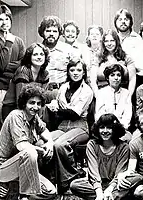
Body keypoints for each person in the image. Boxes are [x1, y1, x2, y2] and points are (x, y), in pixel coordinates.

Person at [0, 84, 56, 200]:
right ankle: (22, 195)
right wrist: (42, 150)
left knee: (50, 192)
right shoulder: (16, 116)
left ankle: (15, 185)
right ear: (24, 103)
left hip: (22, 165)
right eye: (31, 102)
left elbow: (44, 130)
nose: (35, 107)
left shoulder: (34, 118)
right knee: (31, 152)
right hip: (3, 167)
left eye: (38, 103)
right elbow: (22, 146)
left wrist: (50, 143)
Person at [0, 4, 25, 180]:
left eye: (7, 18)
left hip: (14, 90)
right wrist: (7, 43)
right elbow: (1, 64)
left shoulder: (19, 41)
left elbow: (23, 66)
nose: (4, 22)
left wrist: (2, 69)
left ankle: (9, 172)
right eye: (0, 19)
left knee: (11, 131)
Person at [46, 58, 93, 193]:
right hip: (62, 126)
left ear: (84, 73)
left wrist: (58, 110)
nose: (75, 73)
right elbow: (57, 106)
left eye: (79, 70)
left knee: (60, 145)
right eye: (72, 70)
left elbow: (74, 114)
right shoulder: (63, 87)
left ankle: (72, 176)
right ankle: (51, 179)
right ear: (68, 72)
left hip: (79, 127)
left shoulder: (87, 90)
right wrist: (55, 107)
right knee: (43, 141)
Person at [70, 113, 141, 200]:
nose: (105, 131)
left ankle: (108, 196)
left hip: (115, 184)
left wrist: (109, 189)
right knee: (75, 185)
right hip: (96, 184)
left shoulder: (123, 147)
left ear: (115, 129)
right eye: (102, 127)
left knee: (137, 178)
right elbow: (93, 171)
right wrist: (99, 192)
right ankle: (110, 197)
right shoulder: (92, 144)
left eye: (109, 128)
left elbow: (120, 172)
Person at [2, 42, 50, 121]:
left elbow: (42, 98)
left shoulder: (45, 73)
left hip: (32, 108)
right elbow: (20, 99)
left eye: (42, 54)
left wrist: (38, 119)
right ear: (29, 57)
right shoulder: (23, 71)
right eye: (35, 54)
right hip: (13, 108)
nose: (39, 57)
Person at [38, 15, 77, 100]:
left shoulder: (69, 50)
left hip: (64, 91)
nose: (51, 34)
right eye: (48, 31)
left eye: (55, 31)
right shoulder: (37, 50)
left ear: (59, 33)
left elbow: (77, 71)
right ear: (42, 32)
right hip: (41, 92)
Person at [91, 29, 136, 99]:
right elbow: (92, 80)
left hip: (122, 95)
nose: (109, 44)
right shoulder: (98, 57)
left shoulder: (126, 57)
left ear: (117, 41)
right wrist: (98, 96)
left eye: (112, 41)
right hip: (102, 95)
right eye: (106, 41)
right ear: (103, 43)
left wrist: (128, 97)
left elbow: (132, 79)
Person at [95, 63, 132, 141]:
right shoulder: (101, 92)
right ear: (107, 78)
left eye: (118, 75)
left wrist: (120, 127)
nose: (116, 78)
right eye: (112, 75)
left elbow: (127, 115)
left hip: (121, 129)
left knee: (127, 139)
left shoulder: (126, 93)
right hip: (105, 129)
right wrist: (108, 127)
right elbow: (99, 114)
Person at [114, 8, 143, 82]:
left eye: (126, 19)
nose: (123, 22)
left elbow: (139, 63)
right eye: (120, 19)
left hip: (135, 78)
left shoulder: (138, 39)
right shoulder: (112, 39)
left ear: (130, 22)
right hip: (115, 78)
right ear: (115, 22)